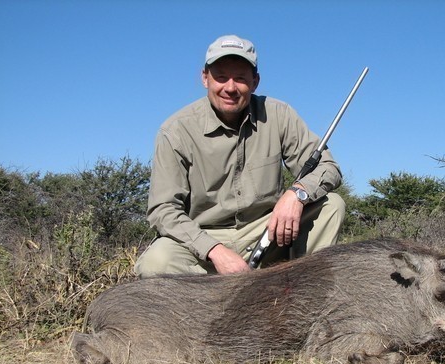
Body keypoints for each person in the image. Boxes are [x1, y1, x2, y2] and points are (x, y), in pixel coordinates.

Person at [135, 35, 345, 277]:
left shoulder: (279, 114)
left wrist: (296, 194)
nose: (230, 87)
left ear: (255, 82)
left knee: (331, 206)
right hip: (203, 238)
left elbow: (328, 166)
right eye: (221, 77)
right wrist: (214, 250)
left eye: (241, 78)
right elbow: (163, 210)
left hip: (267, 231)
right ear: (205, 78)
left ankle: (300, 294)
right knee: (156, 262)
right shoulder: (175, 131)